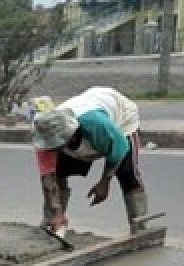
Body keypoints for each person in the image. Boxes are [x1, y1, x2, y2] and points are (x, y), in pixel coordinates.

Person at [31, 87, 148, 235]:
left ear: (69, 135)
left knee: (128, 174)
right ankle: (53, 223)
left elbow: (119, 150)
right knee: (59, 172)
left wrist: (104, 182)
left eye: (57, 144)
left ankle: (140, 229)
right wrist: (56, 211)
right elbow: (48, 178)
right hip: (88, 108)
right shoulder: (44, 132)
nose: (53, 148)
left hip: (121, 117)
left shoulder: (96, 125)